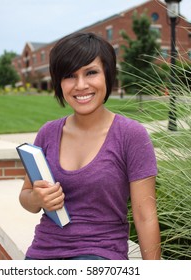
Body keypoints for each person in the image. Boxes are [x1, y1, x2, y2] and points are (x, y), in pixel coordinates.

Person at [19, 32, 161, 260]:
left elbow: (145, 216)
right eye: (70, 76)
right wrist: (38, 199)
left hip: (101, 254)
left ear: (107, 75)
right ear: (59, 82)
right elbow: (26, 196)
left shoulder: (130, 135)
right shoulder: (48, 132)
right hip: (43, 251)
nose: (81, 85)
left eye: (91, 72)